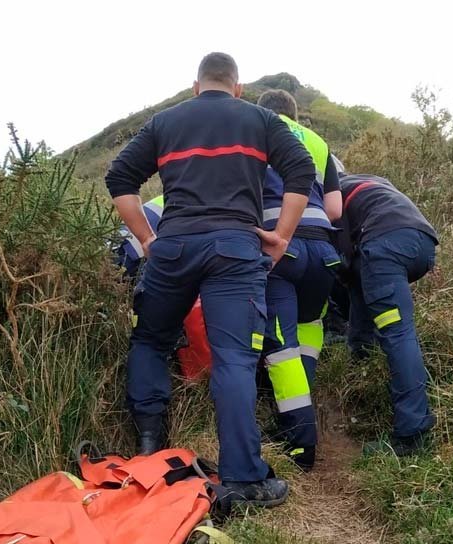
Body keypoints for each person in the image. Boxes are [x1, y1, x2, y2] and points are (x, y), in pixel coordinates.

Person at [105, 52, 315, 509]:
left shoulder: (165, 122)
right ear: (237, 87)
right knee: (235, 360)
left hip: (175, 246)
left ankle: (148, 445)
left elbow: (119, 177)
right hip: (235, 250)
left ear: (196, 86)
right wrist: (280, 237)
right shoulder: (260, 119)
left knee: (151, 339)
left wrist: (147, 239)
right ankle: (244, 480)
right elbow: (302, 171)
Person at [255, 89, 342, 471]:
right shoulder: (320, 143)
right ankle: (303, 408)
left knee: (281, 348)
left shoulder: (257, 129)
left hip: (279, 245)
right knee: (309, 328)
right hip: (323, 249)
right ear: (294, 112)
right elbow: (336, 207)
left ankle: (299, 444)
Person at [335, 172, 439, 456]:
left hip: (384, 245)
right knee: (363, 291)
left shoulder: (332, 191)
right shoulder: (371, 181)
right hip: (422, 243)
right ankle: (363, 371)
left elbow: (340, 257)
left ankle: (412, 434)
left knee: (396, 332)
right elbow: (354, 273)